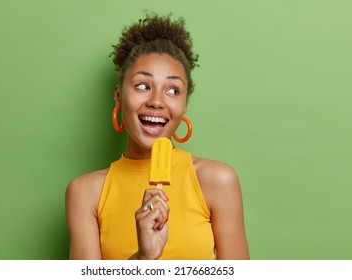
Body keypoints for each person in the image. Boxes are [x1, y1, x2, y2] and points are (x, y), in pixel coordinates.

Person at [65, 14, 249, 260]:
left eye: (173, 90)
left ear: (184, 105)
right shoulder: (85, 194)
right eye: (143, 86)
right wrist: (142, 259)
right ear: (118, 96)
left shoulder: (217, 182)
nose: (156, 102)